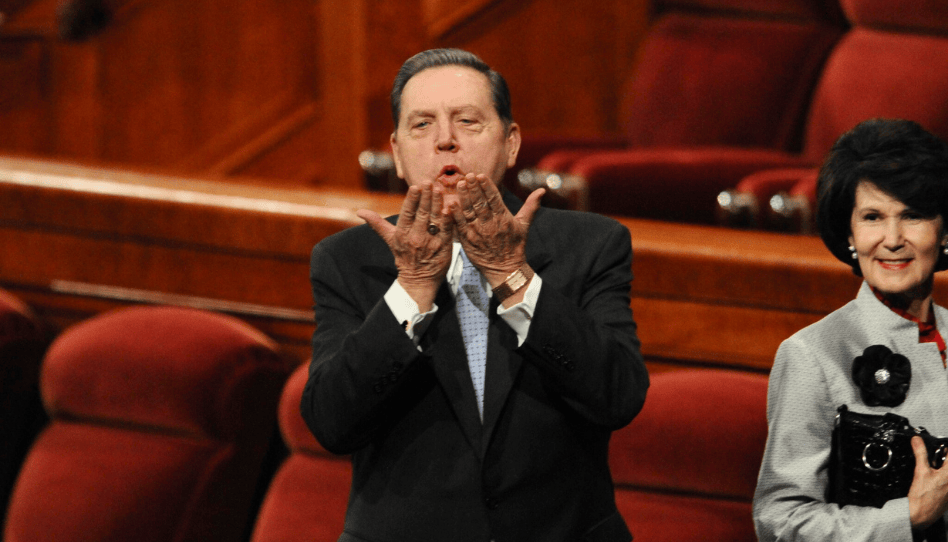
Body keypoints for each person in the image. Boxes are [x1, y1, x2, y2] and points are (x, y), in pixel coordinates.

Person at [300, 48, 648, 542]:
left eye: (467, 121)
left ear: (510, 142)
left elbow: (619, 396)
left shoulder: (591, 245)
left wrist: (513, 275)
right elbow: (332, 423)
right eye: (422, 125)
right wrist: (412, 288)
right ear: (397, 153)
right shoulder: (348, 260)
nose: (446, 139)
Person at [754, 118, 948, 541]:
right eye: (873, 217)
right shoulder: (811, 355)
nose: (892, 239)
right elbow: (779, 520)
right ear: (850, 235)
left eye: (913, 215)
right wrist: (908, 517)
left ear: (944, 231)